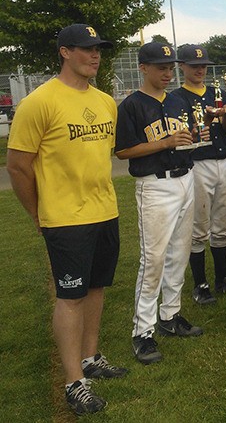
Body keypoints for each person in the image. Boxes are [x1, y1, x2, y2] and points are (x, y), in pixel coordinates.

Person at [7, 24, 127, 415]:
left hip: (104, 210)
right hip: (64, 218)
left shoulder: (106, 102)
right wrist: (39, 212)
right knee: (71, 296)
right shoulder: (40, 102)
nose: (95, 56)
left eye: (99, 49)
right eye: (86, 49)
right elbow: (19, 167)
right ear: (64, 52)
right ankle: (75, 381)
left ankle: (91, 357)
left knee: (95, 288)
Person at [115, 42, 203, 365]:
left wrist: (195, 135)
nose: (168, 73)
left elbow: (186, 135)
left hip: (186, 178)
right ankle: (142, 331)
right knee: (153, 259)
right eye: (161, 67)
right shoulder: (132, 106)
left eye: (170, 67)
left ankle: (171, 315)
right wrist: (165, 142)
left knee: (179, 253)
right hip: (154, 186)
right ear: (143, 68)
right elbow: (123, 151)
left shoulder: (178, 99)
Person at [170, 45, 226, 305]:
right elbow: (186, 137)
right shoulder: (177, 98)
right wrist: (208, 121)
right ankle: (200, 283)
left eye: (203, 65)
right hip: (198, 163)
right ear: (182, 67)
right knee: (199, 226)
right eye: (194, 65)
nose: (200, 69)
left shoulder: (217, 93)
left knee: (223, 223)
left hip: (224, 160)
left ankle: (222, 277)